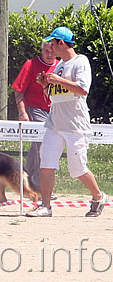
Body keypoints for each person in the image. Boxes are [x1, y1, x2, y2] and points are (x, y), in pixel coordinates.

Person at [27, 27, 107, 218]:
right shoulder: (59, 65)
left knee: (77, 168)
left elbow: (82, 89)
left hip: (75, 125)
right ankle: (45, 206)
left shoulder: (81, 62)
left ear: (61, 43)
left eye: (52, 44)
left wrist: (58, 80)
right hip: (54, 123)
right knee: (46, 164)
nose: (50, 48)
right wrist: (45, 85)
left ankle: (98, 196)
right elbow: (53, 96)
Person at [11, 40, 59, 193]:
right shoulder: (30, 65)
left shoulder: (61, 65)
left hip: (54, 110)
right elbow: (18, 89)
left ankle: (25, 182)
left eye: (52, 52)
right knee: (43, 146)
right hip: (35, 109)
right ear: (41, 51)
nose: (50, 55)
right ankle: (40, 188)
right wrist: (22, 112)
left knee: (37, 148)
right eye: (46, 52)